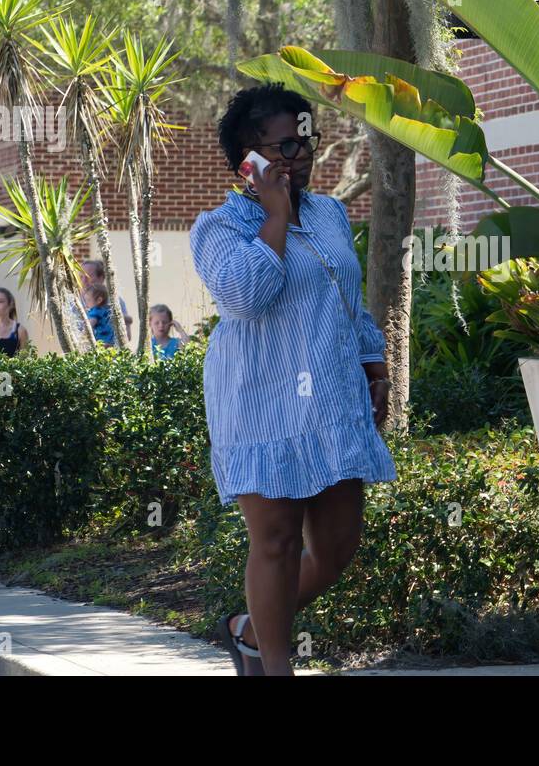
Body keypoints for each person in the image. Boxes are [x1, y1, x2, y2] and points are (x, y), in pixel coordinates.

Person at [190, 83, 393, 677]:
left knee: (336, 550)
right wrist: (275, 215)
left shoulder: (329, 212)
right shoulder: (218, 228)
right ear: (247, 158)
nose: (300, 155)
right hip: (261, 405)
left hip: (330, 401)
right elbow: (247, 295)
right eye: (285, 144)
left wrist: (371, 357)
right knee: (275, 542)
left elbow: (345, 298)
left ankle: (250, 631)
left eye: (307, 140)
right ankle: (277, 668)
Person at [68, 259, 131, 342]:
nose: (84, 281)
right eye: (81, 277)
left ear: (101, 278)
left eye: (88, 277)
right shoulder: (73, 303)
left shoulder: (116, 301)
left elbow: (127, 335)